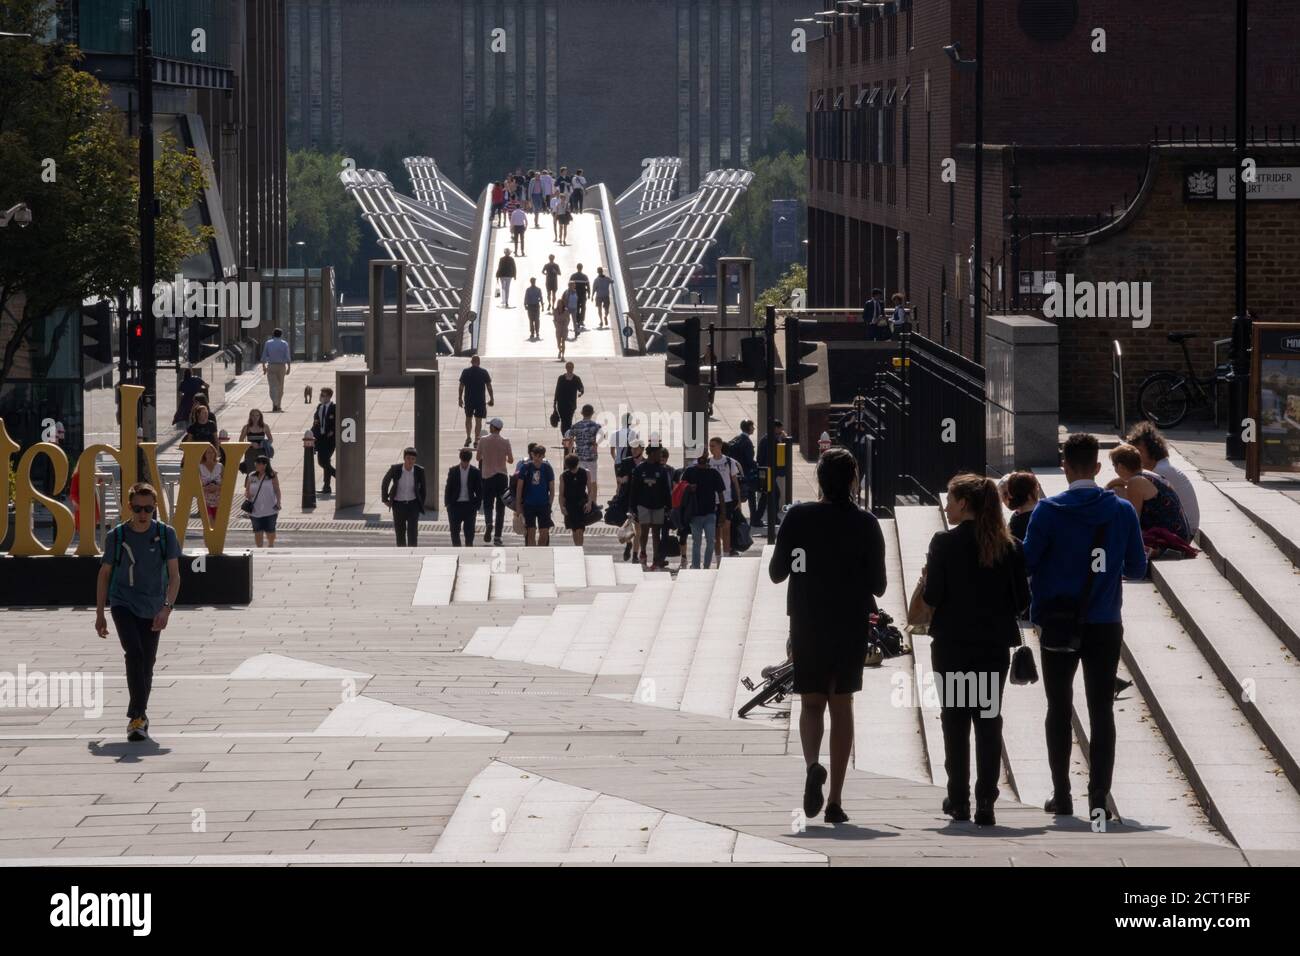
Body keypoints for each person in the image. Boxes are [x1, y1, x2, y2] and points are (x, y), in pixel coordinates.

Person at [1023, 432, 1147, 821]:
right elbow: (1137, 568)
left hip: (1057, 623)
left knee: (1058, 706)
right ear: (1097, 467)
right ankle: (1098, 798)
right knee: (1101, 710)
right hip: (1105, 621)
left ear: (1064, 467)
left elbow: (1026, 564)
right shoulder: (1122, 511)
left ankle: (1062, 795)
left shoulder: (1047, 512)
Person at [769, 448, 887, 825]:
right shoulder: (866, 523)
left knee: (811, 703)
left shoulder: (798, 516)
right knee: (842, 704)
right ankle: (835, 799)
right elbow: (880, 585)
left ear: (819, 479)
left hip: (807, 619)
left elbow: (777, 572)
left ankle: (811, 766)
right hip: (849, 622)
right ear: (854, 480)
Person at [922, 473, 1030, 827]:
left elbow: (932, 597)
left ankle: (958, 798)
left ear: (964, 503)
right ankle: (986, 799)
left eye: (951, 499)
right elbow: (1022, 601)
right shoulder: (1009, 546)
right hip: (992, 644)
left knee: (954, 721)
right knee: (987, 720)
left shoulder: (944, 543)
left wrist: (928, 578)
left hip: (952, 644)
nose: (948, 506)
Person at [95, 482, 182, 742]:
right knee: (134, 652)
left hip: (153, 605)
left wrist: (167, 608)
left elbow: (175, 576)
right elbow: (104, 575)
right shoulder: (117, 536)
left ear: (155, 507)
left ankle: (140, 716)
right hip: (123, 602)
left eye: (147, 508)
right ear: (129, 507)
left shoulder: (166, 534)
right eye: (137, 508)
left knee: (147, 663)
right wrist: (100, 613)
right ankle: (137, 716)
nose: (142, 514)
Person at [1106, 443, 1192, 552]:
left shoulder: (1135, 482)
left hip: (1170, 538)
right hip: (1180, 533)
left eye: (1114, 465)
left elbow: (1133, 519)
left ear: (1120, 466)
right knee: (1118, 490)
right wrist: (1111, 485)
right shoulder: (1146, 475)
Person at [1125, 421, 1199, 538]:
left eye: (1139, 451)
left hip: (1181, 533)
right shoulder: (1159, 468)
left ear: (1153, 451)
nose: (1135, 456)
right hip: (1177, 528)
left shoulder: (1161, 471)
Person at [628, 443, 674, 571]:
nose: (661, 455)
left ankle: (655, 559)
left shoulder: (662, 470)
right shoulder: (639, 469)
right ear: (652, 453)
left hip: (658, 505)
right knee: (644, 531)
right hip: (643, 505)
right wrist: (632, 507)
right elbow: (634, 489)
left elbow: (666, 490)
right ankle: (643, 553)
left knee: (656, 533)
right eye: (659, 453)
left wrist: (669, 507)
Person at [681, 450, 725, 569]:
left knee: (711, 541)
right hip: (694, 513)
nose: (702, 457)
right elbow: (680, 488)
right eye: (700, 454)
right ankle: (695, 566)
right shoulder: (690, 471)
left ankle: (706, 566)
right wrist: (689, 487)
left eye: (705, 454)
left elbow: (721, 494)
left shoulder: (713, 473)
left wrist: (722, 513)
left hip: (710, 513)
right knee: (697, 542)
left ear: (707, 456)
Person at [476, 417, 513, 546]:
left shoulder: (483, 440)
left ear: (492, 428)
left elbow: (478, 457)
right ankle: (497, 536)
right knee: (500, 507)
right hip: (502, 476)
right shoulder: (505, 441)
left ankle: (488, 523)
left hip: (488, 476)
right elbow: (511, 460)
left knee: (487, 504)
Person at [381, 447, 427, 547]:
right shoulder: (395, 469)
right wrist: (385, 499)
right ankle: (402, 555)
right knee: (400, 532)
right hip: (398, 505)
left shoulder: (419, 471)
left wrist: (420, 504)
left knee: (413, 533)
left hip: (413, 505)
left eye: (413, 459)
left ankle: (413, 554)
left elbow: (423, 489)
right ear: (404, 458)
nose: (410, 461)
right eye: (408, 458)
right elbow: (385, 482)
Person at [708, 436, 743, 562]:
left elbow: (735, 482)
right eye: (710, 446)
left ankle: (726, 557)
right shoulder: (708, 462)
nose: (711, 448)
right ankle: (718, 559)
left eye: (713, 446)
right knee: (715, 532)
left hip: (727, 500)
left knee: (726, 529)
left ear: (720, 446)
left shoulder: (729, 462)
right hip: (713, 500)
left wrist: (739, 500)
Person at [515, 444, 556, 546]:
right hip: (529, 504)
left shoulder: (547, 468)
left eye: (540, 456)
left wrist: (549, 504)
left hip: (543, 504)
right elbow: (519, 488)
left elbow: (552, 489)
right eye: (535, 455)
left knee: (544, 533)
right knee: (530, 532)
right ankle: (532, 554)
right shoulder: (525, 468)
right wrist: (518, 507)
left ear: (543, 456)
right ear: (532, 455)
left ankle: (540, 553)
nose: (537, 458)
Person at [444, 448, 482, 547]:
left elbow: (479, 490)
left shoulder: (475, 472)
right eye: (463, 461)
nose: (465, 464)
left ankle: (468, 550)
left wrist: (476, 506)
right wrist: (448, 504)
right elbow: (448, 488)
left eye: (467, 461)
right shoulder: (453, 471)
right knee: (454, 532)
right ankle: (457, 549)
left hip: (469, 506)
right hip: (455, 505)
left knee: (469, 533)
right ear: (460, 459)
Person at [615, 439, 646, 562]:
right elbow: (619, 478)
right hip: (626, 498)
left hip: (639, 500)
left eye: (636, 448)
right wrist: (623, 480)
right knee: (626, 525)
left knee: (638, 529)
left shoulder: (645, 463)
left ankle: (634, 555)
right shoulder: (626, 462)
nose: (633, 450)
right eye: (632, 448)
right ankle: (628, 543)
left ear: (642, 449)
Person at [756, 420, 788, 531]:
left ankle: (771, 517)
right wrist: (782, 440)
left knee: (770, 495)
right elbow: (779, 452)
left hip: (767, 471)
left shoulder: (766, 439)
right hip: (768, 471)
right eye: (780, 430)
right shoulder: (771, 440)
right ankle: (765, 518)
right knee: (771, 495)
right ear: (775, 428)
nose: (781, 432)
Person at [244, 454, 281, 548]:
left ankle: (271, 545)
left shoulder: (272, 475)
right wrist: (247, 494)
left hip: (270, 509)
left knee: (270, 530)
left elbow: (277, 489)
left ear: (265, 465)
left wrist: (278, 502)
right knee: (257, 531)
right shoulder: (252, 475)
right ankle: (259, 548)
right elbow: (247, 490)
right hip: (255, 510)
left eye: (259, 463)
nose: (256, 465)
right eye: (256, 463)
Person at [458, 355, 494, 448]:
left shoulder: (465, 372)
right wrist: (491, 398)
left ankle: (468, 437)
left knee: (468, 418)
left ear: (471, 362)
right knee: (478, 421)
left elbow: (461, 386)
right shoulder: (483, 372)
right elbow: (489, 386)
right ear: (479, 362)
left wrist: (460, 398)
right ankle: (476, 441)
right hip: (480, 400)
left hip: (469, 400)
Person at [565, 404, 602, 494]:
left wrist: (569, 453)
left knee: (579, 480)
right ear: (592, 413)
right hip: (591, 457)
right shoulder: (596, 426)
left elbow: (569, 438)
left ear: (582, 413)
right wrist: (596, 444)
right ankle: (593, 503)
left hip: (579, 457)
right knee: (593, 481)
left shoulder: (576, 426)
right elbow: (602, 436)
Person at [728, 420, 760, 523]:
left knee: (736, 496)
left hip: (735, 472)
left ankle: (736, 517)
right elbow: (749, 460)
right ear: (749, 428)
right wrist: (756, 466)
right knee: (751, 496)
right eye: (752, 427)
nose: (754, 429)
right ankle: (754, 519)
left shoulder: (736, 439)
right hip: (746, 473)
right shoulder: (747, 442)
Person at [559, 453, 593, 545]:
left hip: (581, 503)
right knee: (574, 529)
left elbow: (590, 490)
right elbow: (561, 494)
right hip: (570, 505)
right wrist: (562, 507)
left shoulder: (586, 473)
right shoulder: (563, 476)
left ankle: (579, 547)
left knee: (580, 529)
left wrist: (589, 503)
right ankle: (577, 547)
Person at [311, 387, 337, 495]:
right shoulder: (319, 407)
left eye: (323, 395)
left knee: (324, 461)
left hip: (329, 439)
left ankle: (330, 483)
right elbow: (316, 422)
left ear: (329, 397)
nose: (321, 397)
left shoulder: (334, 407)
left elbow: (337, 421)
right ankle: (328, 486)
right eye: (320, 395)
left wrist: (333, 431)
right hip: (320, 438)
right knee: (323, 462)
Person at [261, 328, 292, 412]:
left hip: (271, 366)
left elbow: (264, 355)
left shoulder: (268, 343)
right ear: (281, 335)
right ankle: (278, 405)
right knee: (280, 387)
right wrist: (289, 367)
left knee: (272, 386)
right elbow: (287, 356)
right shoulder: (284, 344)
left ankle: (275, 403)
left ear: (273, 334)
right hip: (281, 367)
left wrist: (264, 366)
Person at [553, 363, 585, 438]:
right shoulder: (561, 378)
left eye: (571, 367)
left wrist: (581, 392)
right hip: (561, 404)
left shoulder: (576, 378)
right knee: (564, 421)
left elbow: (581, 387)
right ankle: (565, 436)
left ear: (573, 368)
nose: (570, 368)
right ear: (566, 368)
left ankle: (567, 437)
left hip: (571, 404)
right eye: (568, 367)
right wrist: (554, 403)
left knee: (569, 420)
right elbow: (557, 390)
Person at [238, 409, 271, 475]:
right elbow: (240, 441)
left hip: (262, 452)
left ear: (260, 416)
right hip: (250, 452)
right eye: (253, 415)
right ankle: (249, 485)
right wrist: (251, 444)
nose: (255, 418)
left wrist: (264, 444)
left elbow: (270, 439)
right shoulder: (246, 427)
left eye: (257, 415)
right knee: (251, 472)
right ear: (250, 416)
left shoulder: (265, 426)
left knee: (262, 472)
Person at [199, 443, 223, 523]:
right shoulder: (200, 467)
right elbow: (196, 485)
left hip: (219, 500)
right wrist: (205, 488)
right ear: (204, 454)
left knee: (218, 524)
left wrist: (217, 487)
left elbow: (226, 483)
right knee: (209, 522)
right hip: (205, 500)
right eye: (208, 452)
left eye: (212, 452)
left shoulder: (220, 466)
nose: (210, 455)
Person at [570, 264, 590, 330]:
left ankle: (577, 320)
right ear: (582, 268)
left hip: (575, 295)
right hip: (583, 295)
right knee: (583, 307)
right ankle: (581, 320)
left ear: (577, 268)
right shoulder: (585, 277)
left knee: (577, 307)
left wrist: (570, 293)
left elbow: (570, 285)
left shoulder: (573, 276)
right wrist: (589, 293)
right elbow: (588, 286)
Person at [553, 290, 571, 360]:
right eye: (558, 303)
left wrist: (566, 324)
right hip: (558, 328)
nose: (559, 305)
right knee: (558, 343)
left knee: (563, 341)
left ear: (563, 304)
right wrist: (556, 324)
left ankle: (563, 355)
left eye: (560, 303)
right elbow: (554, 319)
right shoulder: (555, 311)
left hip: (564, 328)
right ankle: (560, 351)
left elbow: (568, 319)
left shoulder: (566, 311)